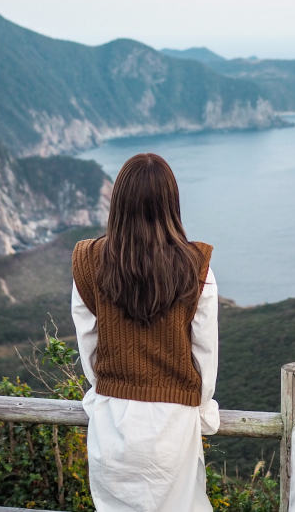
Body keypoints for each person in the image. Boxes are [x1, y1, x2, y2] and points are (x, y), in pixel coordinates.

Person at [71, 152, 219, 512]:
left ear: (118, 201)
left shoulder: (88, 261)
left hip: (111, 423)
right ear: (171, 203)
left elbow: (87, 343)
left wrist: (106, 389)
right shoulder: (197, 267)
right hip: (174, 427)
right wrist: (200, 407)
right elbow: (205, 356)